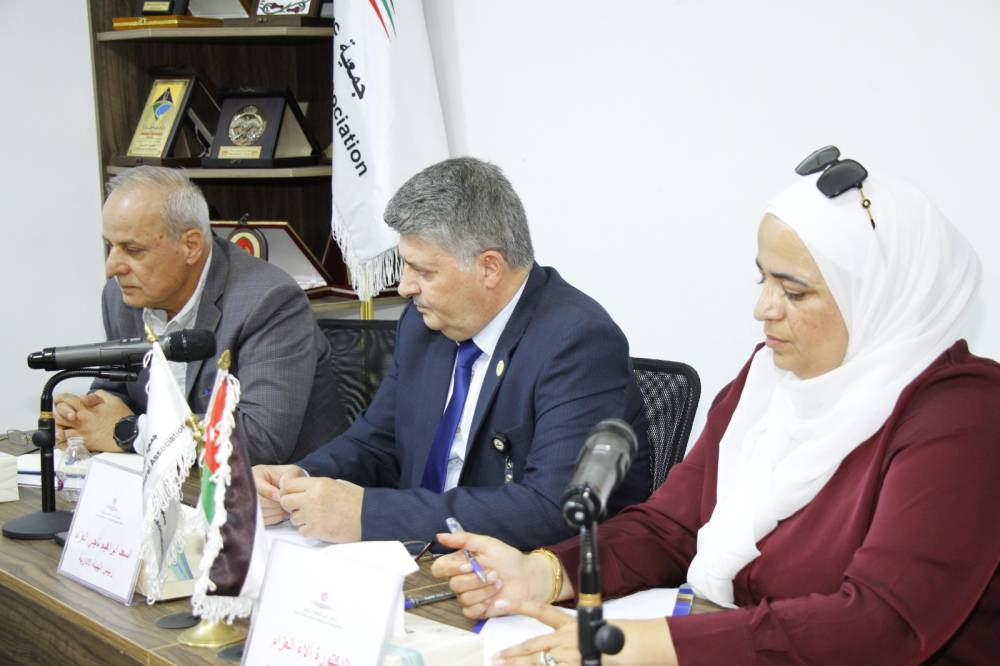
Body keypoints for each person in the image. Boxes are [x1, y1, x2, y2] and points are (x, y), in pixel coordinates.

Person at [432, 149, 1000, 665]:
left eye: (794, 291)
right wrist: (542, 572)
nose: (764, 309)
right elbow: (672, 526)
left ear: (879, 297)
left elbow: (881, 626)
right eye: (763, 280)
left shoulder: (964, 417)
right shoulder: (771, 375)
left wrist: (651, 645)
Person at [253, 157, 651, 549]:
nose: (405, 287)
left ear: (489, 268)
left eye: (423, 271)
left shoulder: (577, 342)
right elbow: (377, 442)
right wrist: (298, 480)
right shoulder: (424, 325)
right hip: (422, 559)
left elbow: (550, 509)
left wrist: (367, 514)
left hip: (526, 572)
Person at [54, 166, 346, 465]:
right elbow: (115, 391)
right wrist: (83, 416)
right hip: (169, 478)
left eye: (133, 249)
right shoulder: (120, 296)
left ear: (190, 246)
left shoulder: (268, 301)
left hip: (274, 487)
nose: (112, 267)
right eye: (110, 246)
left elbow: (260, 439)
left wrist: (130, 432)